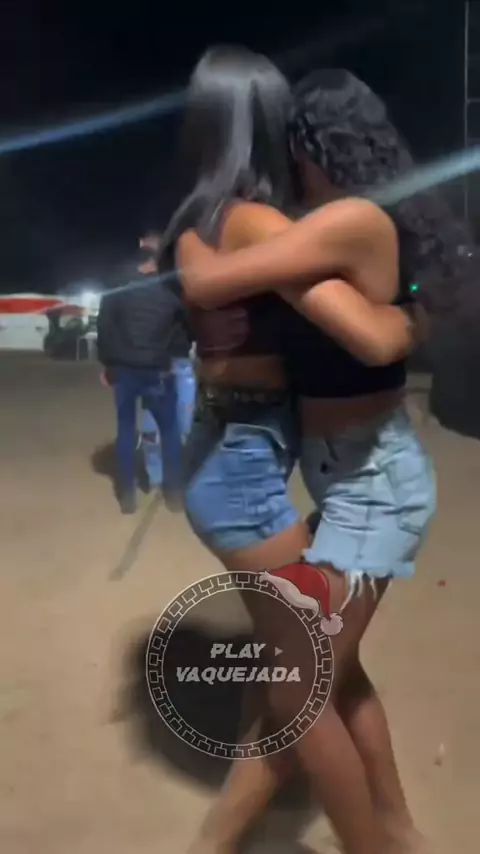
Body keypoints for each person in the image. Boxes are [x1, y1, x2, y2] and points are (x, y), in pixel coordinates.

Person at [172, 57, 446, 854]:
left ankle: (383, 832)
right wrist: (409, 321)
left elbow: (362, 324)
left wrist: (408, 316)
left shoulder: (220, 218)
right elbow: (367, 328)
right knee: (308, 677)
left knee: (313, 671)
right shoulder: (268, 224)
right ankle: (376, 836)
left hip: (280, 464)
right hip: (275, 473)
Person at [97, 251, 187, 514]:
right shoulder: (169, 290)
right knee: (169, 431)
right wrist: (172, 359)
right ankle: (173, 492)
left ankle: (127, 495)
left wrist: (108, 364)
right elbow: (181, 330)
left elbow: (105, 326)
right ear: (155, 264)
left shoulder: (120, 288)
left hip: (124, 369)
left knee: (125, 429)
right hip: (158, 370)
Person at [135, 234, 197, 492]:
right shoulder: (138, 291)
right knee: (152, 428)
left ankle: (180, 477)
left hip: (179, 363)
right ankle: (156, 478)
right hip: (154, 365)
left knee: (185, 426)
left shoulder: (181, 284)